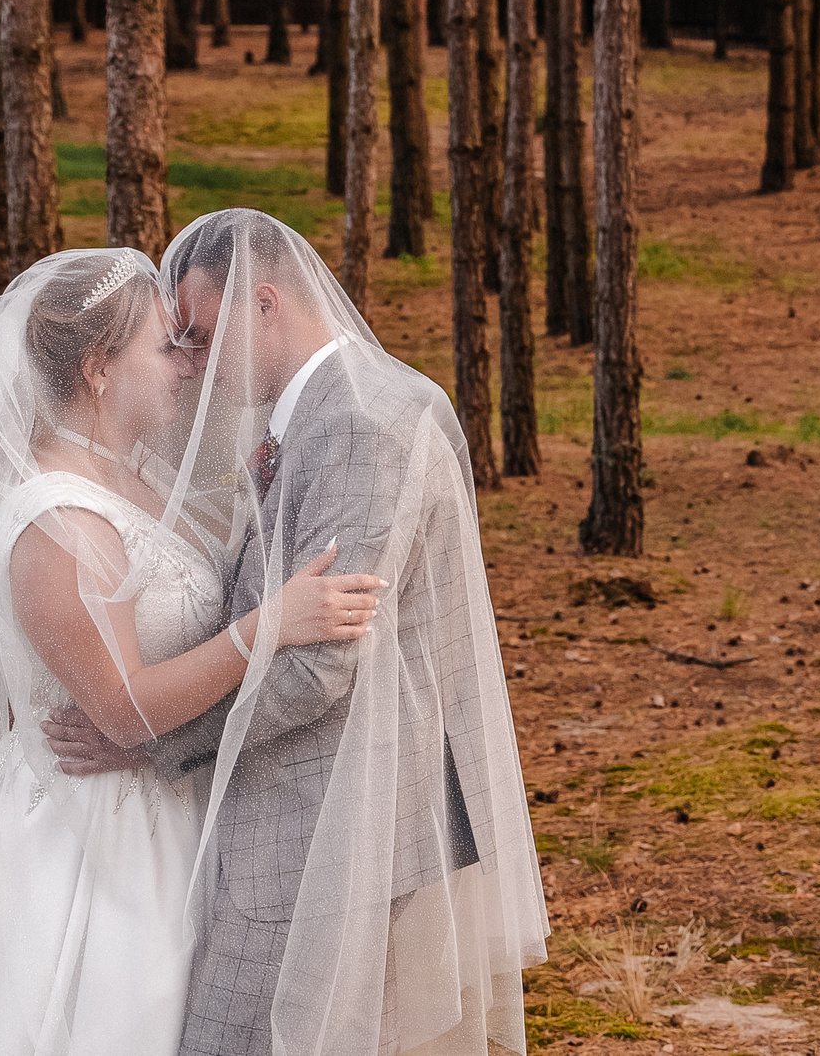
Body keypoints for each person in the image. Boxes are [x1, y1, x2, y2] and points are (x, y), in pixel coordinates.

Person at [44, 211, 547, 1056]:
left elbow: (318, 670)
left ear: (265, 303)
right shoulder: (321, 410)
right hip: (313, 812)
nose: (192, 361)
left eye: (203, 334)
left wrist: (147, 738)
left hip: (326, 822)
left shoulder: (359, 423)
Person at [0, 247, 385, 1056]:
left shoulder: (134, 476)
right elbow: (122, 711)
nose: (189, 365)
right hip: (95, 839)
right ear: (97, 368)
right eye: (166, 347)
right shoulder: (56, 520)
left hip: (171, 808)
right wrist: (267, 626)